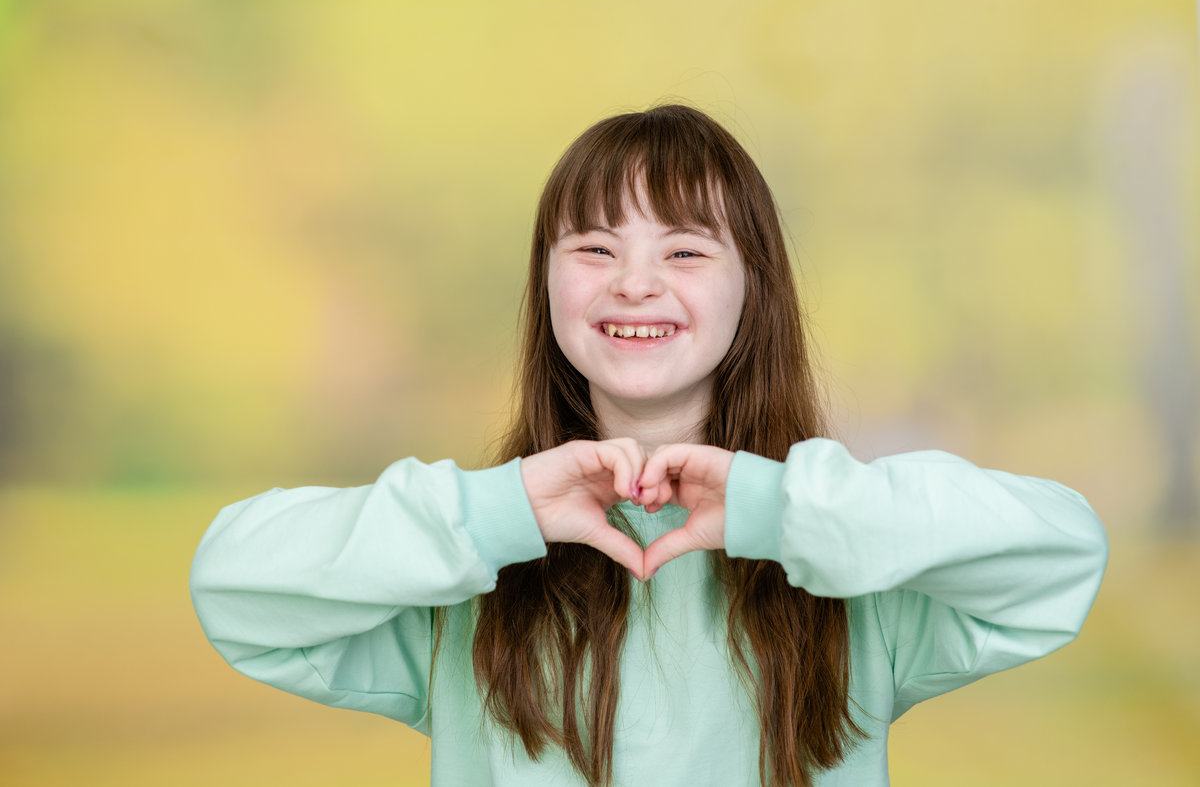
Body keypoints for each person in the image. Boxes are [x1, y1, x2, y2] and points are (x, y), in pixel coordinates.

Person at [190, 104, 1108, 787]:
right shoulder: (463, 578)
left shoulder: (848, 567)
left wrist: (778, 510)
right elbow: (235, 589)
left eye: (685, 251)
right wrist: (494, 512)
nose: (634, 282)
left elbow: (1062, 557)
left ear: (755, 291)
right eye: (593, 247)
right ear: (545, 284)